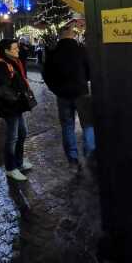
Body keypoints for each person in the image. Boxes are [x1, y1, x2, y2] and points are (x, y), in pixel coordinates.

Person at [42, 25, 95, 170]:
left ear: (60, 36)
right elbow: (90, 70)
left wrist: (56, 89)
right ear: (72, 35)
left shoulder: (53, 53)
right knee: (88, 124)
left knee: (67, 126)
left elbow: (46, 75)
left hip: (63, 95)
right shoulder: (81, 50)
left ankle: (73, 159)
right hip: (81, 93)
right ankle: (90, 152)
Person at [0, 39, 34, 181]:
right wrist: (17, 98)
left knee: (22, 133)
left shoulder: (14, 62)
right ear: (7, 50)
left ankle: (19, 162)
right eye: (15, 48)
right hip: (10, 107)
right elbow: (3, 90)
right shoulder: (1, 65)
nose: (18, 50)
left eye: (17, 48)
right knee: (12, 137)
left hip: (17, 106)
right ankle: (11, 168)